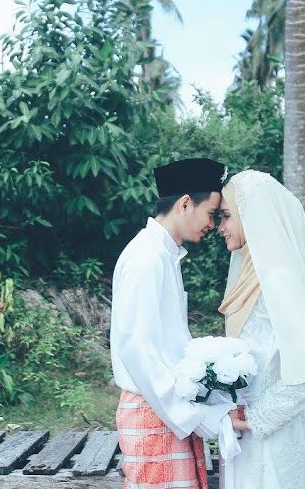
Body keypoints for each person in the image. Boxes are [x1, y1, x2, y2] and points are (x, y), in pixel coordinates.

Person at [110, 158, 236, 489]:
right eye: (211, 214)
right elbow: (138, 350)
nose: (212, 225)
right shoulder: (146, 257)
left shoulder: (164, 255)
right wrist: (202, 417)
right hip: (155, 410)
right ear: (184, 204)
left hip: (168, 411)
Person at [217, 169, 305, 488]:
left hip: (276, 444)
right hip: (245, 443)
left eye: (227, 216)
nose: (221, 227)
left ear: (251, 216)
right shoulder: (248, 280)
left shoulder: (279, 280)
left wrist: (254, 419)